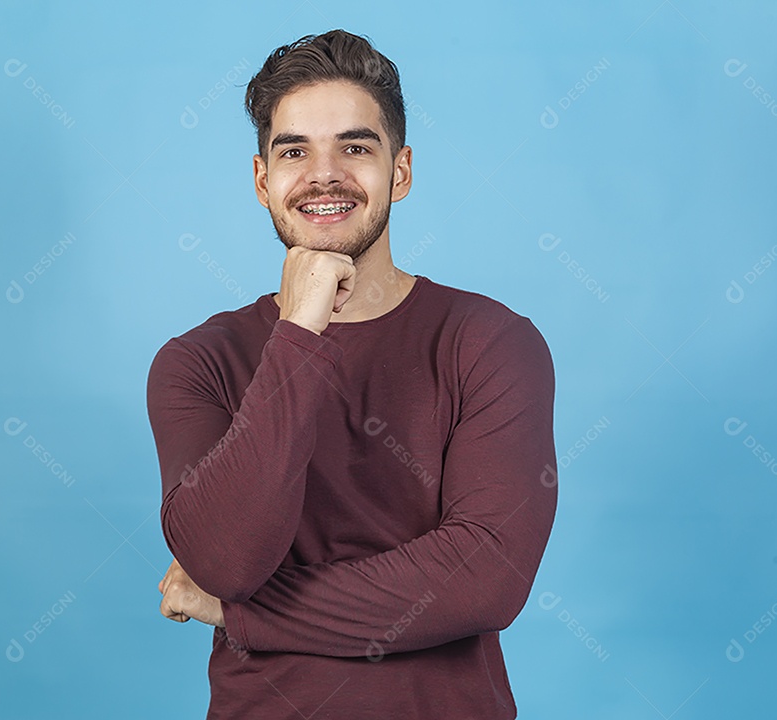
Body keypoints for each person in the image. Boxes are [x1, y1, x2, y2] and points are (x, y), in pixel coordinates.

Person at [147, 28, 557, 719]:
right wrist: (299, 332)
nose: (324, 174)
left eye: (355, 147)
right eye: (295, 151)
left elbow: (485, 579)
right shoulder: (197, 363)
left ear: (399, 172)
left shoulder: (490, 343)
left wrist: (243, 615)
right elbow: (227, 561)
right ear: (262, 182)